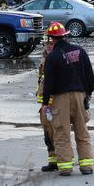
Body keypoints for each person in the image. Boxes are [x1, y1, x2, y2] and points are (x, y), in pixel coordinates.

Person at [41, 22, 94, 176]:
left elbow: (49, 82)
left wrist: (45, 103)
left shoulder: (53, 57)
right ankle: (86, 166)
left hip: (60, 98)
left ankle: (65, 167)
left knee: (61, 131)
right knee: (82, 130)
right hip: (79, 95)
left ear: (51, 38)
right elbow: (89, 76)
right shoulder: (80, 51)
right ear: (65, 35)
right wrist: (88, 93)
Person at [36, 37, 57, 171]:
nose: (48, 46)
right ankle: (52, 161)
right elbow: (41, 81)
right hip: (45, 105)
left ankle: (63, 160)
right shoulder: (44, 59)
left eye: (51, 43)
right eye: (46, 43)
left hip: (55, 104)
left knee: (58, 134)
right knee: (47, 136)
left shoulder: (56, 59)